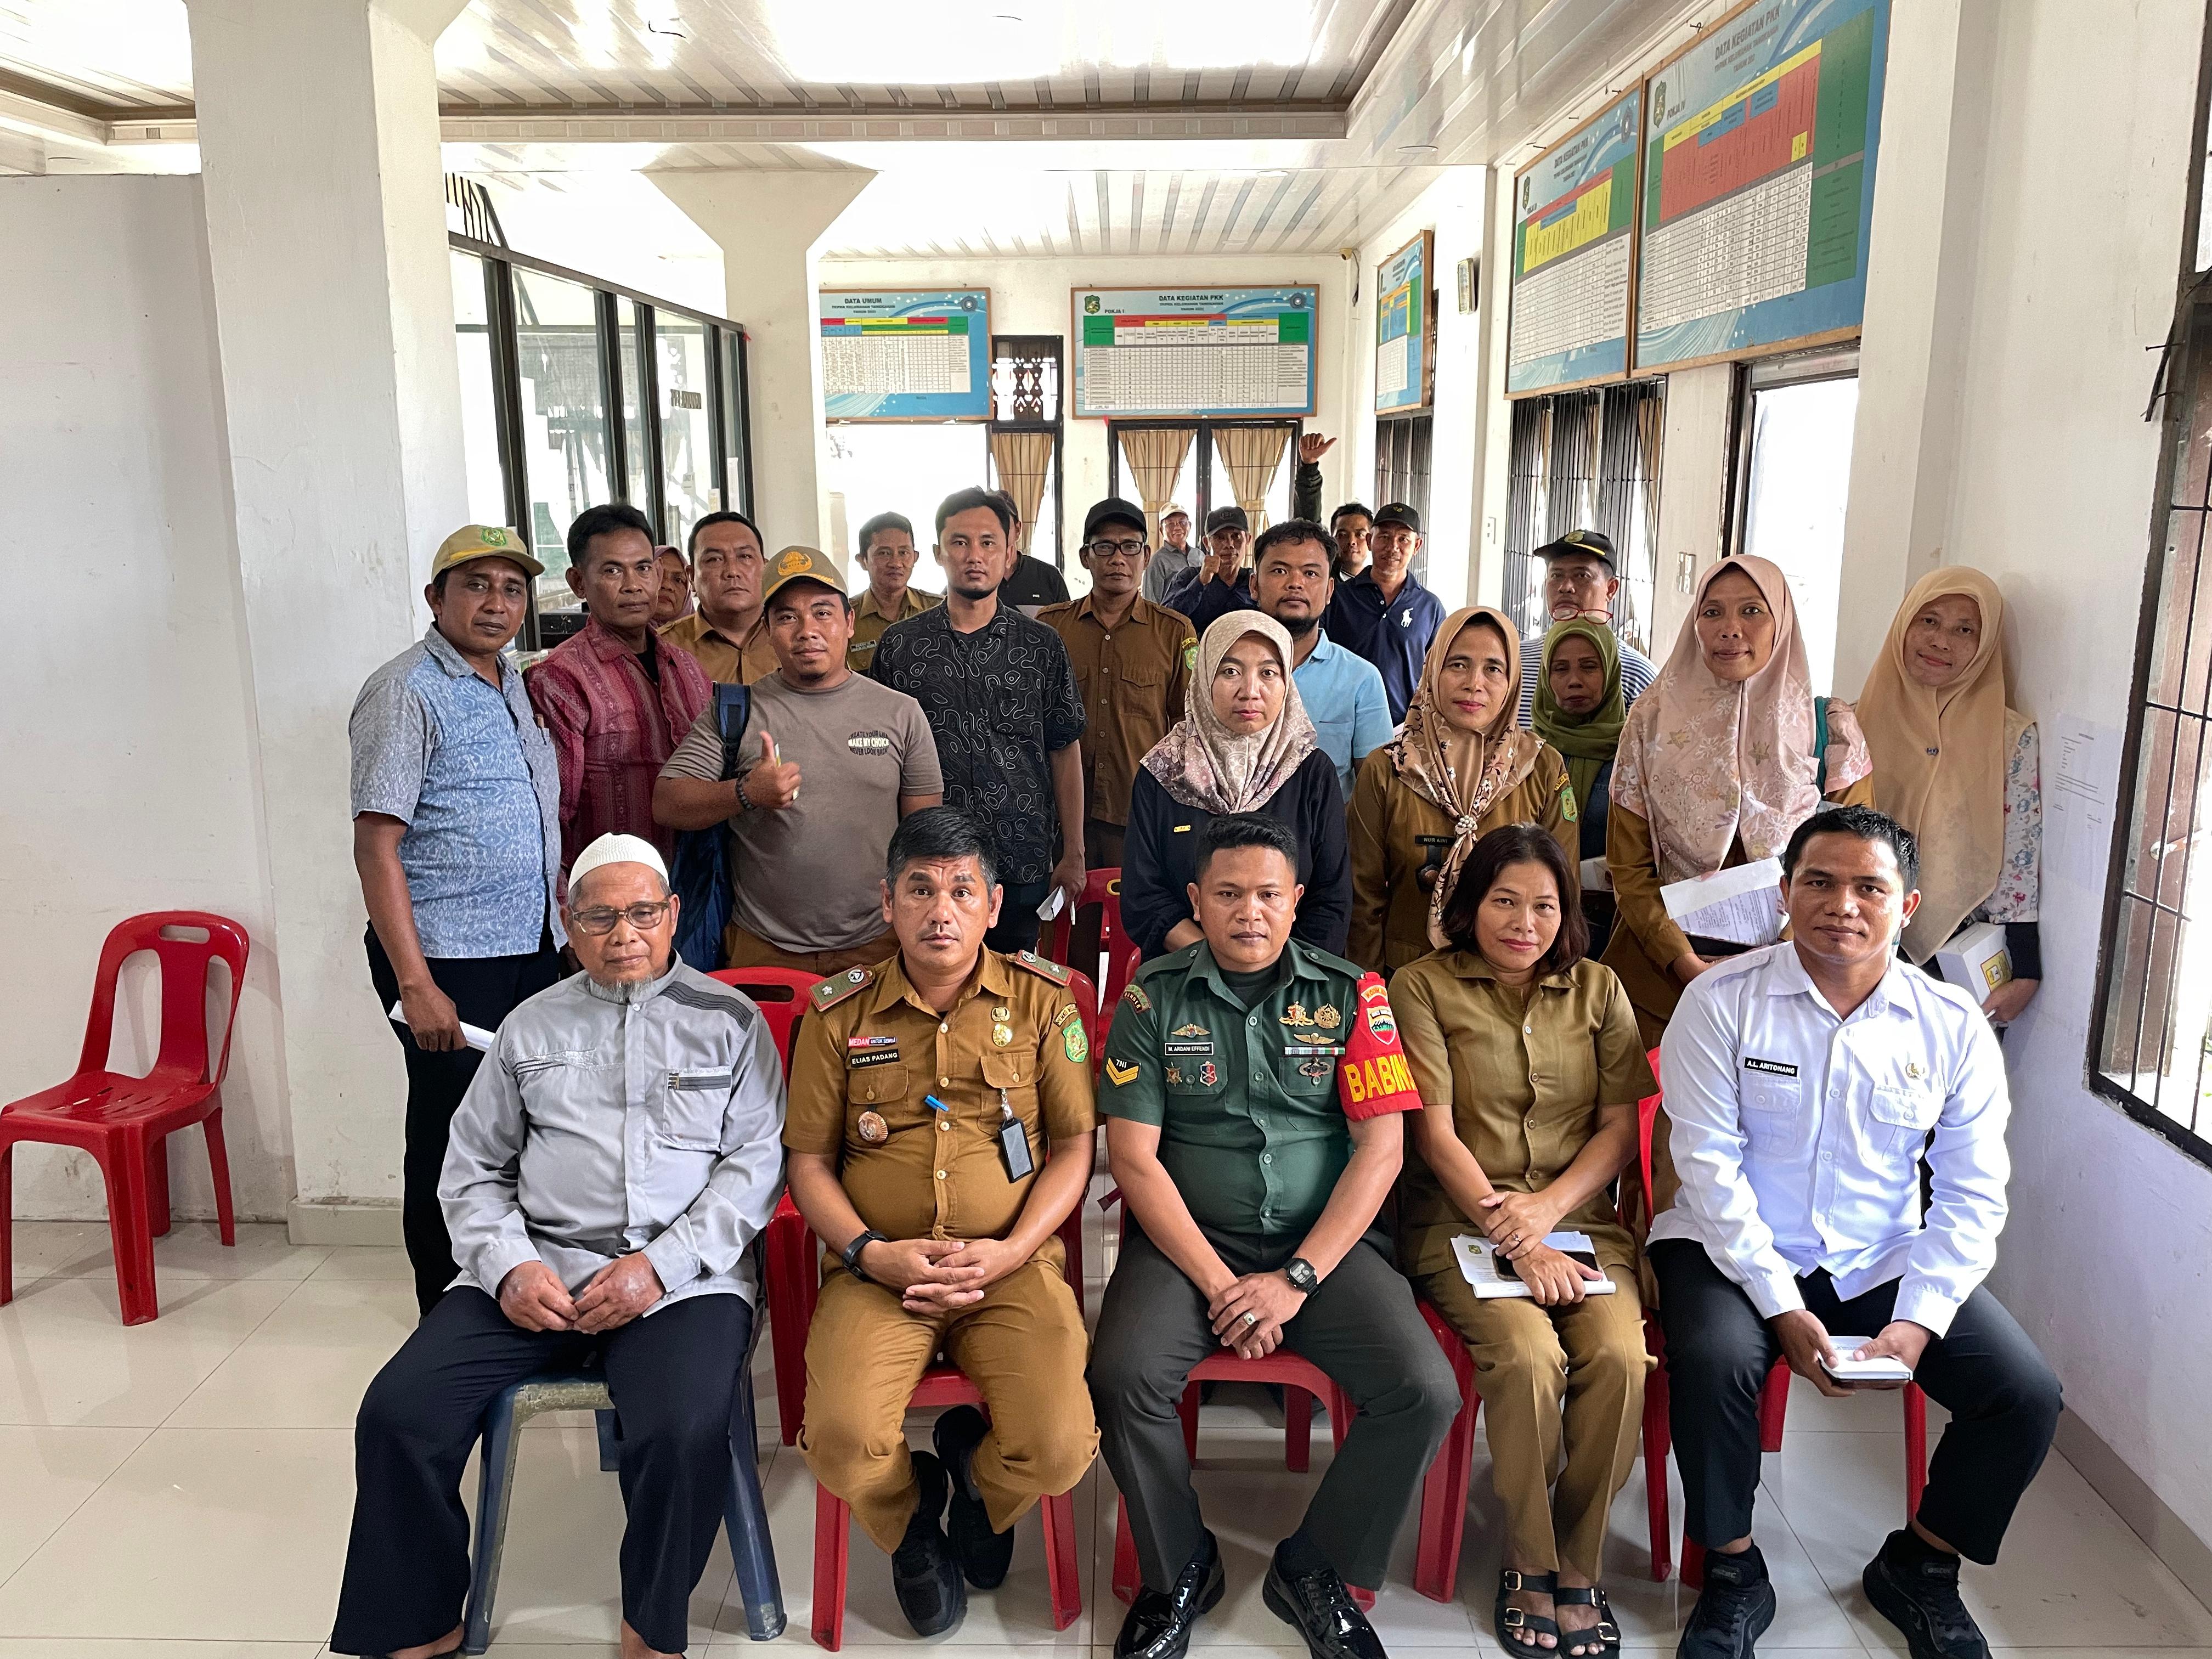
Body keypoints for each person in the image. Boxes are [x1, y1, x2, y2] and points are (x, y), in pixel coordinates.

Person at [329, 833, 785, 1659]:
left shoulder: (731, 1023)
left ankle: (651, 1627)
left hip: (680, 1277)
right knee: (399, 1412)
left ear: (673, 914)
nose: (624, 935)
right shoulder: (529, 1026)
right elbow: (471, 1170)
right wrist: (509, 1267)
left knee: (682, 1427)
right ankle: (419, 1625)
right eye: (600, 918)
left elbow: (754, 1172)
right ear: (569, 926)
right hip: (540, 1266)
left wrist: (659, 1268)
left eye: (643, 913)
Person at [1650, 806, 2061, 1659]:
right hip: (1731, 1249)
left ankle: (1923, 1564)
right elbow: (1710, 1171)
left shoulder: (1951, 1026)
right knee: (1716, 1360)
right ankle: (1733, 1571)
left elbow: (1973, 1192)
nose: (1843, 905)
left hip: (1879, 1256)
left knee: (2024, 1394)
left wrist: (1920, 1319)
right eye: (1820, 882)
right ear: (1785, 893)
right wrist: (1780, 1307)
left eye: (1869, 887)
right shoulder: (1719, 1002)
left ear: (1905, 906)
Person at [1090, 814, 1459, 1659]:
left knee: (1423, 1390)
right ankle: (1180, 1567)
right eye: (1227, 894)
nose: (1248, 912)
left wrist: (1294, 1279)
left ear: (1296, 901)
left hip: (1322, 1249)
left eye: (1267, 894)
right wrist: (1223, 1286)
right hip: (1189, 1247)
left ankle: (1316, 1564)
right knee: (1121, 1374)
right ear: (1196, 900)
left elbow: (1383, 1150)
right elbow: (1134, 1160)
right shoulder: (1152, 996)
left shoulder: (1353, 995)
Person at [783, 807, 1099, 1638]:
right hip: (879, 1276)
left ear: (994, 905)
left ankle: (982, 1492)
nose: (941, 909)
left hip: (1010, 1268)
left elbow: (1075, 1147)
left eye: (962, 890)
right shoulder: (838, 1015)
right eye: (920, 889)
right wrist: (869, 1252)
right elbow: (808, 1163)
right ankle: (915, 1511)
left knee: (1061, 1448)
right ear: (887, 903)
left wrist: (1013, 1250)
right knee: (841, 1442)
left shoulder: (1045, 1002)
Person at [1390, 825, 1652, 1658]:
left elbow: (1620, 1131)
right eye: (1505, 901)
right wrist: (1514, 1230)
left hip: (1581, 1222)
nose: (1524, 923)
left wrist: (1546, 1212)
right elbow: (1433, 1135)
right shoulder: (1421, 986)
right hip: (1459, 1221)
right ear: (1471, 905)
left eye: (1545, 906)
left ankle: (1580, 1563)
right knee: (1530, 1356)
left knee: (1620, 1358)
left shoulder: (1600, 990)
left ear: (1567, 913)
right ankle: (1528, 1558)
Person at [351, 524, 566, 1316]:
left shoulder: (511, 681)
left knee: (522, 1128)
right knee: (454, 1138)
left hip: (530, 947)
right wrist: (416, 984)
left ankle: (514, 1287)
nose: (496, 603)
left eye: (512, 589)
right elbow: (376, 843)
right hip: (448, 961)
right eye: (476, 585)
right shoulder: (406, 690)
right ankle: (445, 1310)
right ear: (435, 598)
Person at [1601, 556, 1874, 1049]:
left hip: (1793, 983)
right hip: (1660, 986)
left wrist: (1781, 955)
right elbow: (1629, 867)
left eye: (1752, 611)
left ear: (1781, 621)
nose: (1730, 629)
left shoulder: (1829, 730)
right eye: (1712, 613)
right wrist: (1682, 961)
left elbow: (1856, 868)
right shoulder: (1649, 723)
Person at [654, 545, 941, 975]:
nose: (807, 630)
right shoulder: (736, 711)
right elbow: (667, 803)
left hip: (879, 945)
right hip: (763, 949)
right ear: (767, 630)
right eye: (788, 617)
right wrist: (746, 792)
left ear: (849, 622)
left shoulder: (901, 713)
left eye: (823, 613)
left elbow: (923, 839)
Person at [871, 486, 1087, 953]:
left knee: (1012, 982)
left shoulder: (1041, 645)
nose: (974, 556)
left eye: (988, 542)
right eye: (960, 542)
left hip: (1021, 858)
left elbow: (1064, 747)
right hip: (930, 863)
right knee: (932, 979)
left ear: (1009, 554)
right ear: (938, 553)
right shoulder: (900, 646)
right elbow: (883, 763)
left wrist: (1074, 852)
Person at [1855, 568, 2041, 1023]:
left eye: (1965, 630)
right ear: (1904, 625)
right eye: (1929, 621)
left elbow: (2019, 854)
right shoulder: (1851, 723)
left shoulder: (2010, 738)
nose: (1941, 642)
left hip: (1955, 959)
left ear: (1986, 644)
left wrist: (2027, 967)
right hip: (1853, 937)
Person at [1348, 607, 1573, 976]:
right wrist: (1370, 993)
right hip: (1404, 977)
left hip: (1512, 983)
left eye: (1493, 669)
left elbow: (1561, 893)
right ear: (1433, 670)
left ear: (1513, 681)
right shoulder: (1390, 768)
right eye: (1458, 665)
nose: (1474, 683)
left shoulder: (1541, 768)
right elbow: (1363, 898)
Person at [1122, 612, 1351, 960]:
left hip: (1296, 977)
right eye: (1230, 671)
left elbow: (1331, 898)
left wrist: (1275, 971)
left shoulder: (1311, 773)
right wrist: (1219, 962)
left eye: (1268, 673)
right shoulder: (1164, 771)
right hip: (1183, 972)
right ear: (1204, 677)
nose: (1250, 691)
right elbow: (1143, 898)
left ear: (1287, 683)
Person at [529, 504, 712, 876]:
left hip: (696, 883)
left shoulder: (687, 667)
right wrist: (566, 902)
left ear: (657, 573)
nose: (633, 585)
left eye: (643, 568)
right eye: (612, 570)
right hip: (612, 893)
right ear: (578, 582)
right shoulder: (560, 679)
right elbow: (552, 814)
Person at [1038, 497, 1197, 869]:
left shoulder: (1175, 632)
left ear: (1146, 556)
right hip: (1058, 818)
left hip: (1138, 815)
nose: (1118, 559)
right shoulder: (1051, 628)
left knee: (1135, 907)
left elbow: (1186, 726)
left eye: (1130, 547)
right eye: (1105, 547)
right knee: (1063, 908)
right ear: (1085, 556)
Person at [1532, 618, 1629, 952]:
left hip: (1614, 927)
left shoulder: (1634, 755)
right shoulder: (1523, 755)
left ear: (1611, 671)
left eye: (1589, 667)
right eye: (1560, 669)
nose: (1574, 681)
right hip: (1533, 926)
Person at [1513, 532, 1658, 725]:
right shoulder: (1515, 662)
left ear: (1611, 589)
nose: (1565, 587)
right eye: (1556, 575)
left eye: (1582, 576)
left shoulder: (1639, 675)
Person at [1324, 502, 1444, 723]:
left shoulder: (1430, 608)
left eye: (1403, 539)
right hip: (1342, 722)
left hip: (1404, 727)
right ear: (1370, 541)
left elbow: (1438, 676)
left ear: (1417, 546)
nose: (1393, 547)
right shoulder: (1338, 598)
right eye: (1385, 537)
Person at [662, 510, 778, 684]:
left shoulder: (796, 637)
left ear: (765, 568)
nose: (732, 571)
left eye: (745, 557)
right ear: (691, 577)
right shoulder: (665, 649)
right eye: (714, 559)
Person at [849, 510, 940, 673]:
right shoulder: (846, 617)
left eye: (904, 553)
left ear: (915, 558)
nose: (896, 563)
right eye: (884, 553)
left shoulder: (938, 609)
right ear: (863, 561)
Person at [1163, 505, 1255, 630]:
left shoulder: (1254, 583)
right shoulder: (1188, 577)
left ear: (1248, 539)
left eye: (1236, 536)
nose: (1229, 544)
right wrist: (1200, 582)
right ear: (1207, 543)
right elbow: (1165, 621)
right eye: (1220, 538)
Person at [993, 489, 1071, 612]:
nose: (996, 534)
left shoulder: (1049, 576)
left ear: (1018, 530)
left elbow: (1065, 622)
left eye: (1003, 525)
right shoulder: (974, 579)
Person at [1143, 503, 1199, 603]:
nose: (1177, 528)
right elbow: (1150, 602)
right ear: (1162, 530)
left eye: (1182, 522)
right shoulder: (1158, 561)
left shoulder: (1200, 555)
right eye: (1170, 524)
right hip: (1171, 613)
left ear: (1190, 526)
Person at [650, 544, 694, 627]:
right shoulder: (624, 632)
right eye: (658, 575)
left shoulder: (705, 634)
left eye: (678, 580)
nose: (667, 586)